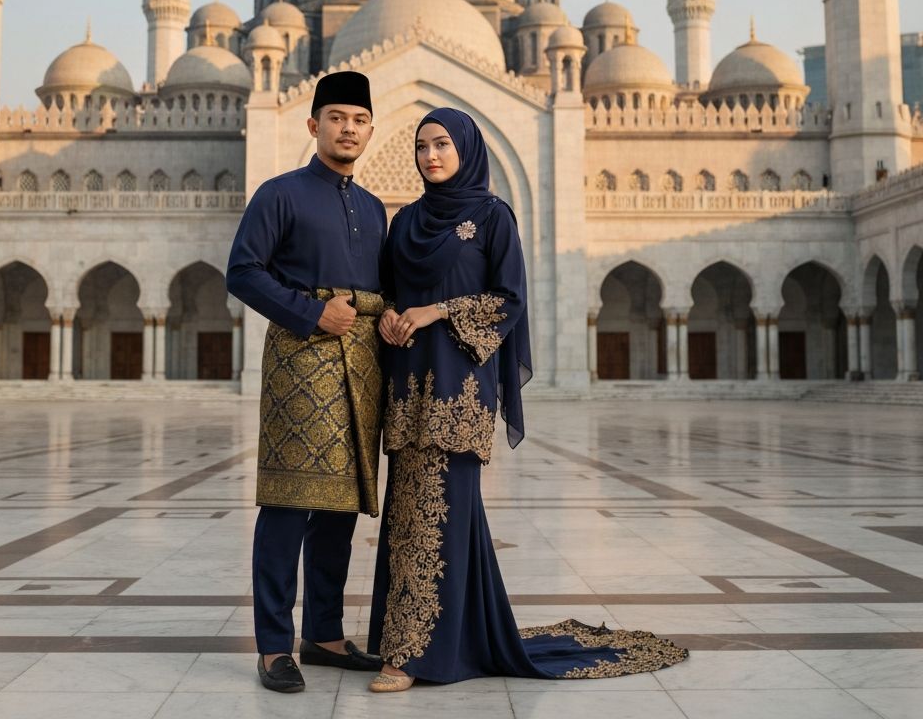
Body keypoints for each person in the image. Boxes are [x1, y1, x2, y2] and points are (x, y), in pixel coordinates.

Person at [366, 107, 688, 691]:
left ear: (466, 147)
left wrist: (437, 310)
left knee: (438, 511)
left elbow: (509, 299)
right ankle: (455, 636)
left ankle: (413, 655)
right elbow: (390, 289)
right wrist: (390, 316)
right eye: (421, 147)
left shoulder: (493, 217)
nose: (430, 155)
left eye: (441, 144)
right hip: (408, 383)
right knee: (410, 512)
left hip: (460, 386)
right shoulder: (406, 221)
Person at [226, 71, 387, 693]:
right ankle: (273, 645)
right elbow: (243, 272)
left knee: (341, 508)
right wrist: (309, 310)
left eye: (359, 119)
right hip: (301, 361)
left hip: (362, 367)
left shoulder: (372, 208)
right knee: (289, 504)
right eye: (338, 117)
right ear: (313, 124)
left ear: (371, 129)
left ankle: (322, 632)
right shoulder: (281, 194)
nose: (349, 128)